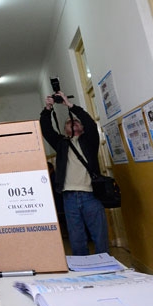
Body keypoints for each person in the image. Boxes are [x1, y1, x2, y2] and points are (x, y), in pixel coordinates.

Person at [40, 91, 109, 256]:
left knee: (99, 234)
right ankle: (82, 266)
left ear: (82, 127)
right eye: (69, 124)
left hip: (90, 194)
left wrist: (70, 106)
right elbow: (46, 129)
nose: (73, 125)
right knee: (76, 236)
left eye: (76, 123)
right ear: (64, 130)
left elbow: (91, 124)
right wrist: (48, 108)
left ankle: (105, 264)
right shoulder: (62, 144)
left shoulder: (89, 141)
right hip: (69, 196)